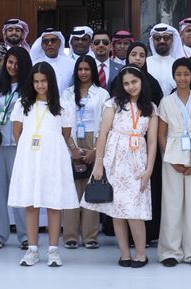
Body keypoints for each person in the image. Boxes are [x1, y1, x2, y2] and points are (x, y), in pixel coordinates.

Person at [9, 63, 79, 267]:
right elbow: (17, 131)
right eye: (36, 81)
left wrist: (49, 146)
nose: (40, 85)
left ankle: (53, 250)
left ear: (51, 82)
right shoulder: (23, 104)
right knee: (31, 204)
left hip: (53, 158)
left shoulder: (63, 105)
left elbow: (65, 133)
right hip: (30, 158)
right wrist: (28, 150)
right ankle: (32, 249)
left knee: (53, 203)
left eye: (44, 81)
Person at [84, 65, 155, 266]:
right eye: (126, 83)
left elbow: (152, 142)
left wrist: (149, 169)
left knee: (134, 211)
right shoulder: (113, 104)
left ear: (141, 81)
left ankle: (141, 254)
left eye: (134, 82)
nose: (131, 86)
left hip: (137, 162)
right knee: (117, 210)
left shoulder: (151, 107)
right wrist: (99, 164)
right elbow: (103, 134)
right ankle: (124, 254)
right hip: (114, 161)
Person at [156, 57, 191, 266]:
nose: (182, 78)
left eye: (186, 74)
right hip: (172, 154)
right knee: (171, 203)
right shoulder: (166, 102)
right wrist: (170, 158)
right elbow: (161, 134)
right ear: (173, 76)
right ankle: (170, 251)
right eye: (178, 74)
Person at [0, 46, 30, 248]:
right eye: (10, 62)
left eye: (17, 63)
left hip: (20, 145)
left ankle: (26, 235)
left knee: (21, 190)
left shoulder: (29, 87)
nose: (13, 66)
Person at [64, 55, 111, 249]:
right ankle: (70, 235)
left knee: (92, 188)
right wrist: (72, 149)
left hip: (95, 140)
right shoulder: (67, 94)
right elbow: (63, 122)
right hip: (72, 139)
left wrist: (95, 151)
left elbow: (106, 124)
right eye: (80, 69)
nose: (83, 73)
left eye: (87, 69)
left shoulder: (102, 94)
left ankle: (90, 236)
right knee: (72, 189)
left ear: (93, 71)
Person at [146, 23, 179, 93]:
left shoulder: (178, 64)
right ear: (152, 40)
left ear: (172, 40)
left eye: (166, 37)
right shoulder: (145, 63)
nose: (162, 41)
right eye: (157, 38)